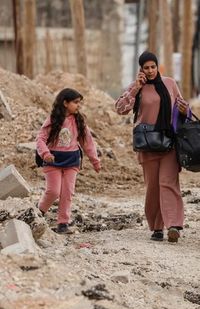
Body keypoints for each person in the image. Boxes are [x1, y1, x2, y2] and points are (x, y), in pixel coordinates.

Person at [115, 51, 188, 243]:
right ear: (141, 69)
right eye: (146, 68)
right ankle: (156, 227)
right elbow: (120, 109)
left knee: (168, 183)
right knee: (153, 187)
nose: (150, 71)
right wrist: (136, 88)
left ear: (157, 66)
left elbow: (182, 108)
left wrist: (184, 110)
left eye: (153, 67)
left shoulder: (170, 83)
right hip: (147, 144)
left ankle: (173, 225)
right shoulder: (137, 86)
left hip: (169, 142)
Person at [36, 88, 101, 234]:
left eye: (79, 103)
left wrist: (95, 160)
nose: (78, 106)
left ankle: (63, 223)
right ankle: (39, 212)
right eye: (76, 102)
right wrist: (45, 153)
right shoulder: (53, 119)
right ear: (65, 103)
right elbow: (40, 139)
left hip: (72, 161)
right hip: (53, 160)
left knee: (67, 192)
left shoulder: (79, 121)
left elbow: (87, 142)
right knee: (53, 191)